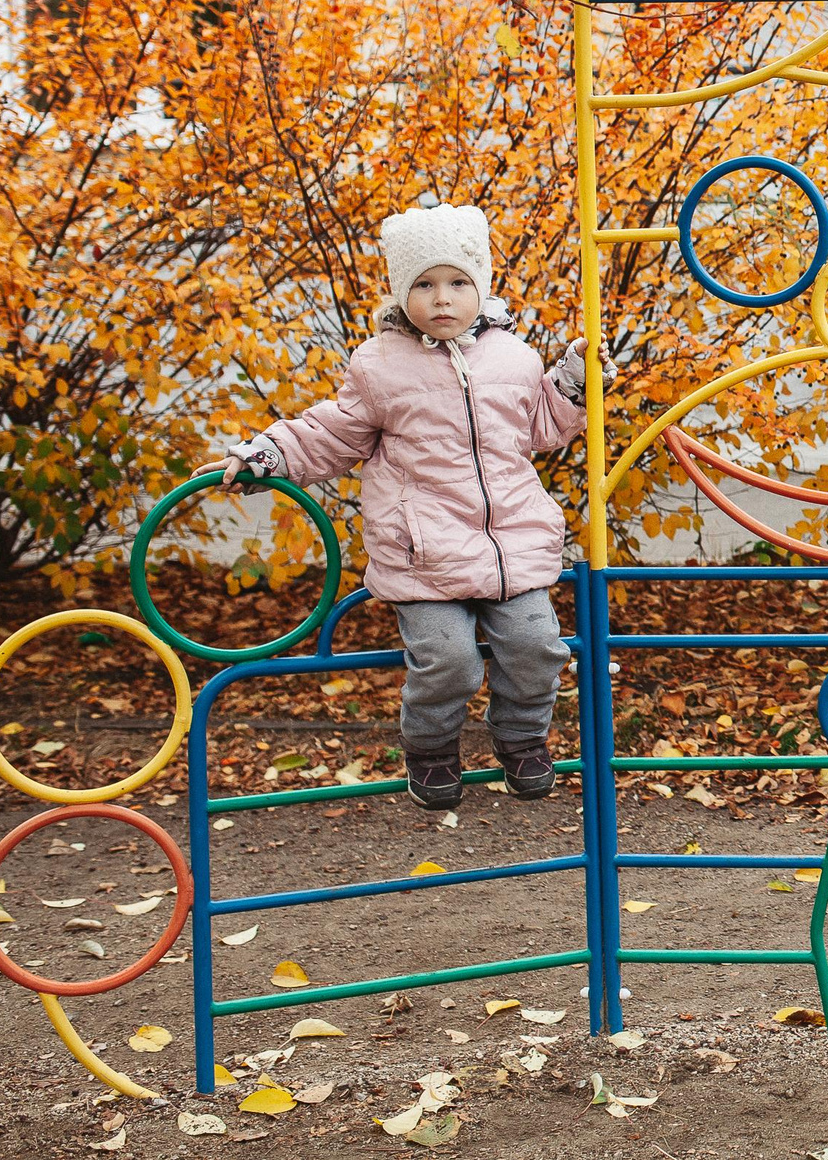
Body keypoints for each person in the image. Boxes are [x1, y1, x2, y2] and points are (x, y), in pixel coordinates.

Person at [215, 205, 596, 811]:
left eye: (457, 283)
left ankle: (523, 740)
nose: (441, 299)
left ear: (482, 286)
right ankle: (431, 749)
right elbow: (332, 433)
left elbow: (542, 427)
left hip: (510, 548)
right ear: (401, 291)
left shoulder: (515, 359)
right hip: (426, 553)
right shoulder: (379, 365)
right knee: (447, 659)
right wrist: (269, 455)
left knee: (536, 645)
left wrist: (573, 385)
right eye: (423, 284)